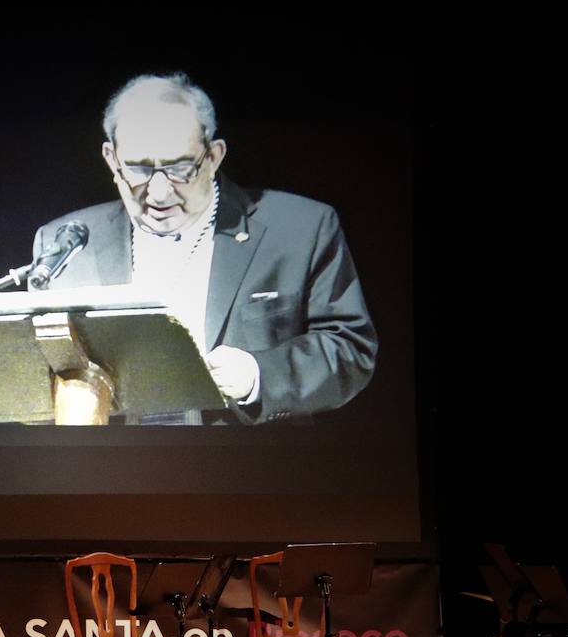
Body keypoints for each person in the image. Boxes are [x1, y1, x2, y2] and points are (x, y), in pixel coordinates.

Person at [32, 73, 377, 425]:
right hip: (111, 467)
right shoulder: (66, 242)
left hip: (252, 465)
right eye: (139, 169)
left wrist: (258, 375)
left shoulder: (301, 228)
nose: (160, 192)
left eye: (181, 168)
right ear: (111, 158)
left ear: (213, 156)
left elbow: (351, 350)